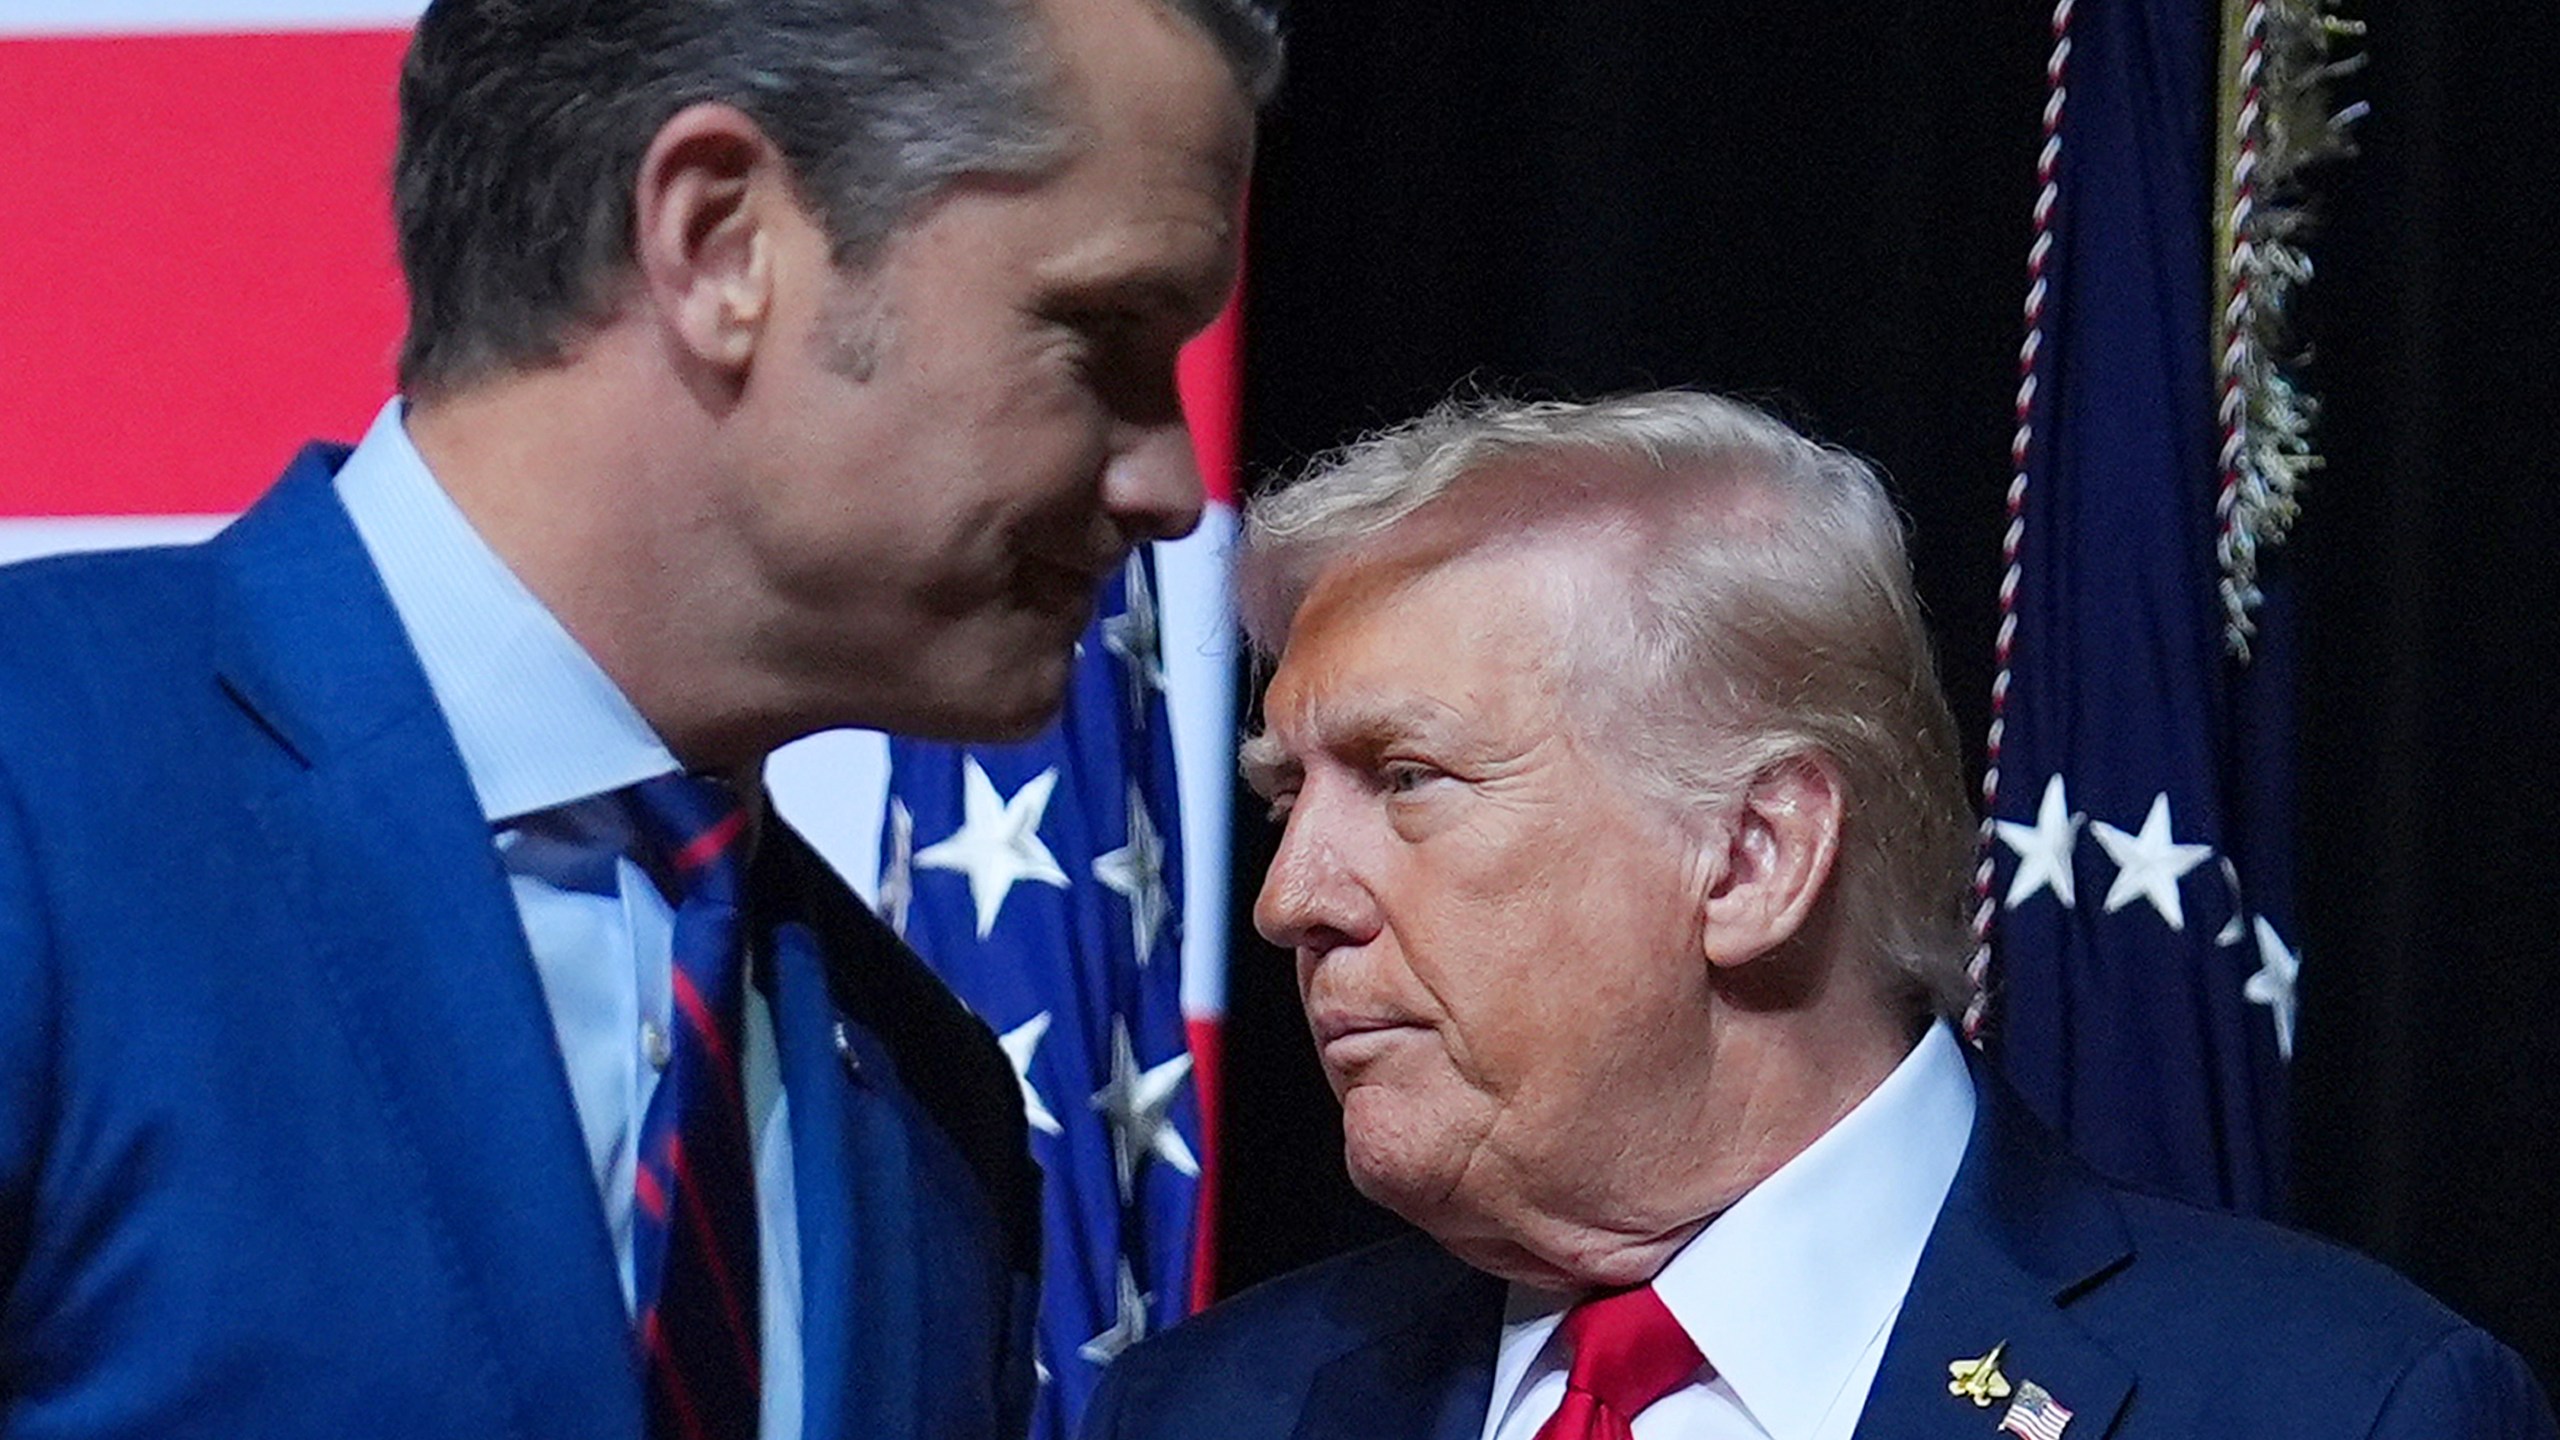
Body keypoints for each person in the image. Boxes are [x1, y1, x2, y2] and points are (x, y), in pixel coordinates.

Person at [0, 0, 1274, 1436]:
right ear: (721, 242)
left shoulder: (937, 1108)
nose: (1169, 485)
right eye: (1101, 333)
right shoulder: (38, 799)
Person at [1080, 391, 2557, 1440]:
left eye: (1408, 778)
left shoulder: (2335, 1409)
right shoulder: (1204, 1409)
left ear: (1755, 858)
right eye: (1290, 798)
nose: (1289, 900)